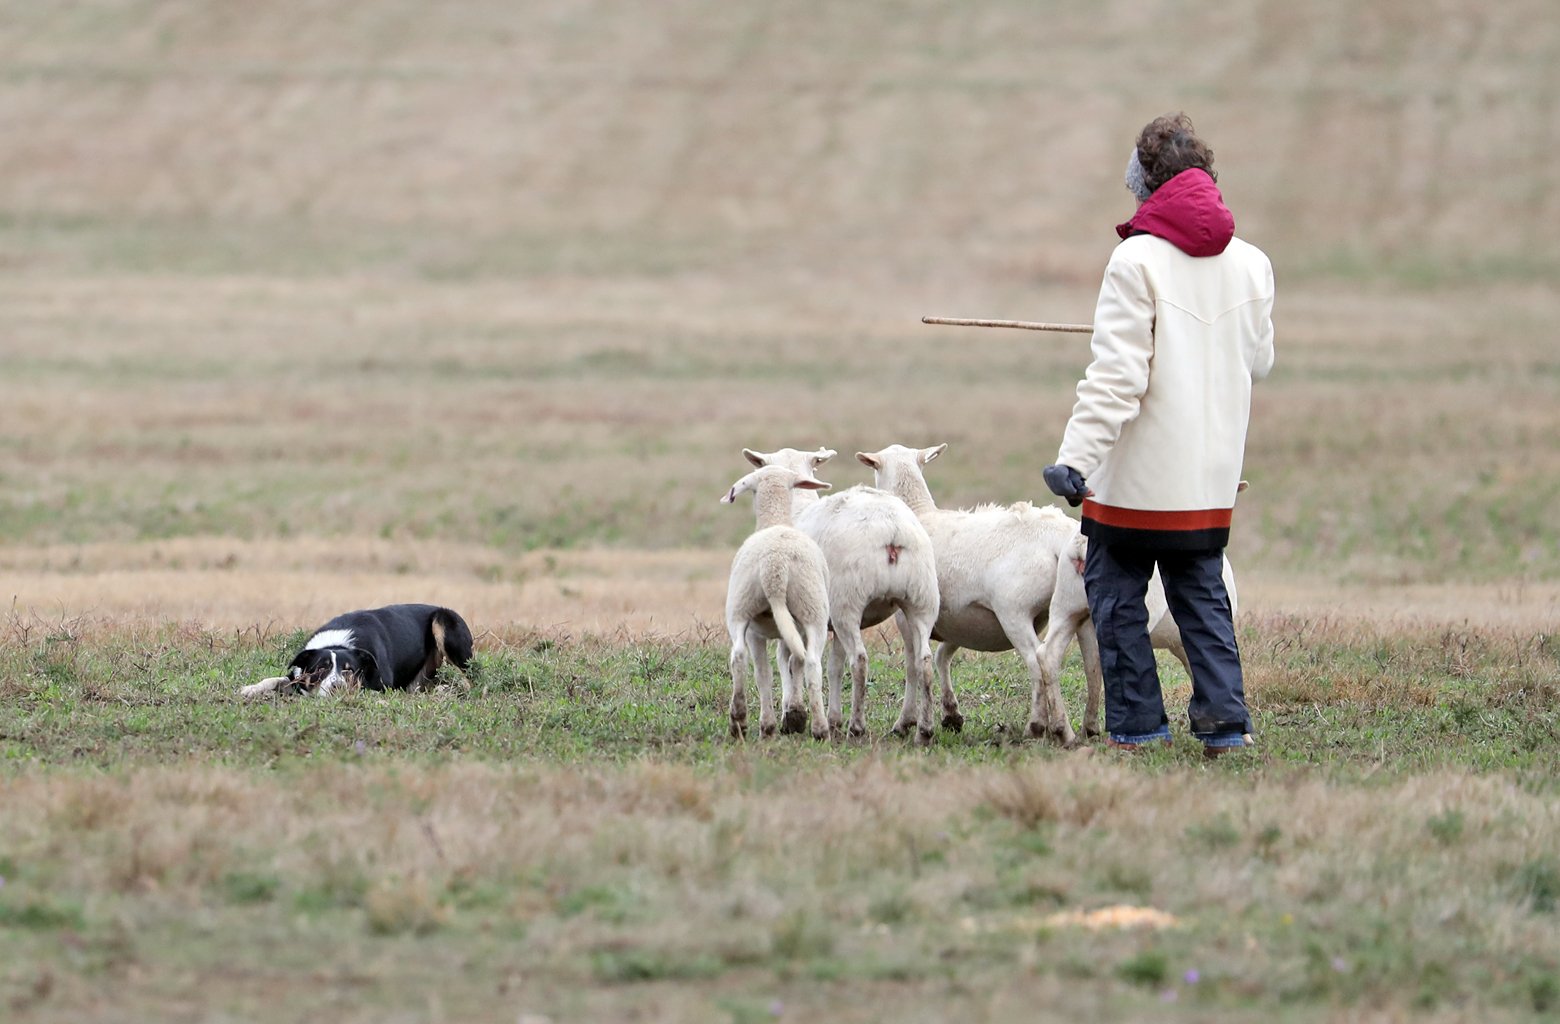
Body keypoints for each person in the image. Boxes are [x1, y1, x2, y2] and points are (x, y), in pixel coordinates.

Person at [1043, 113, 1275, 757]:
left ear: (1146, 183)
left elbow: (1117, 376)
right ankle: (1227, 727)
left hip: (1137, 486)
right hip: (1207, 482)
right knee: (1201, 599)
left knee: (1116, 599)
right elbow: (1259, 361)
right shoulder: (1253, 265)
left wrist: (1073, 460)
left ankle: (1139, 729)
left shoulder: (1134, 259)